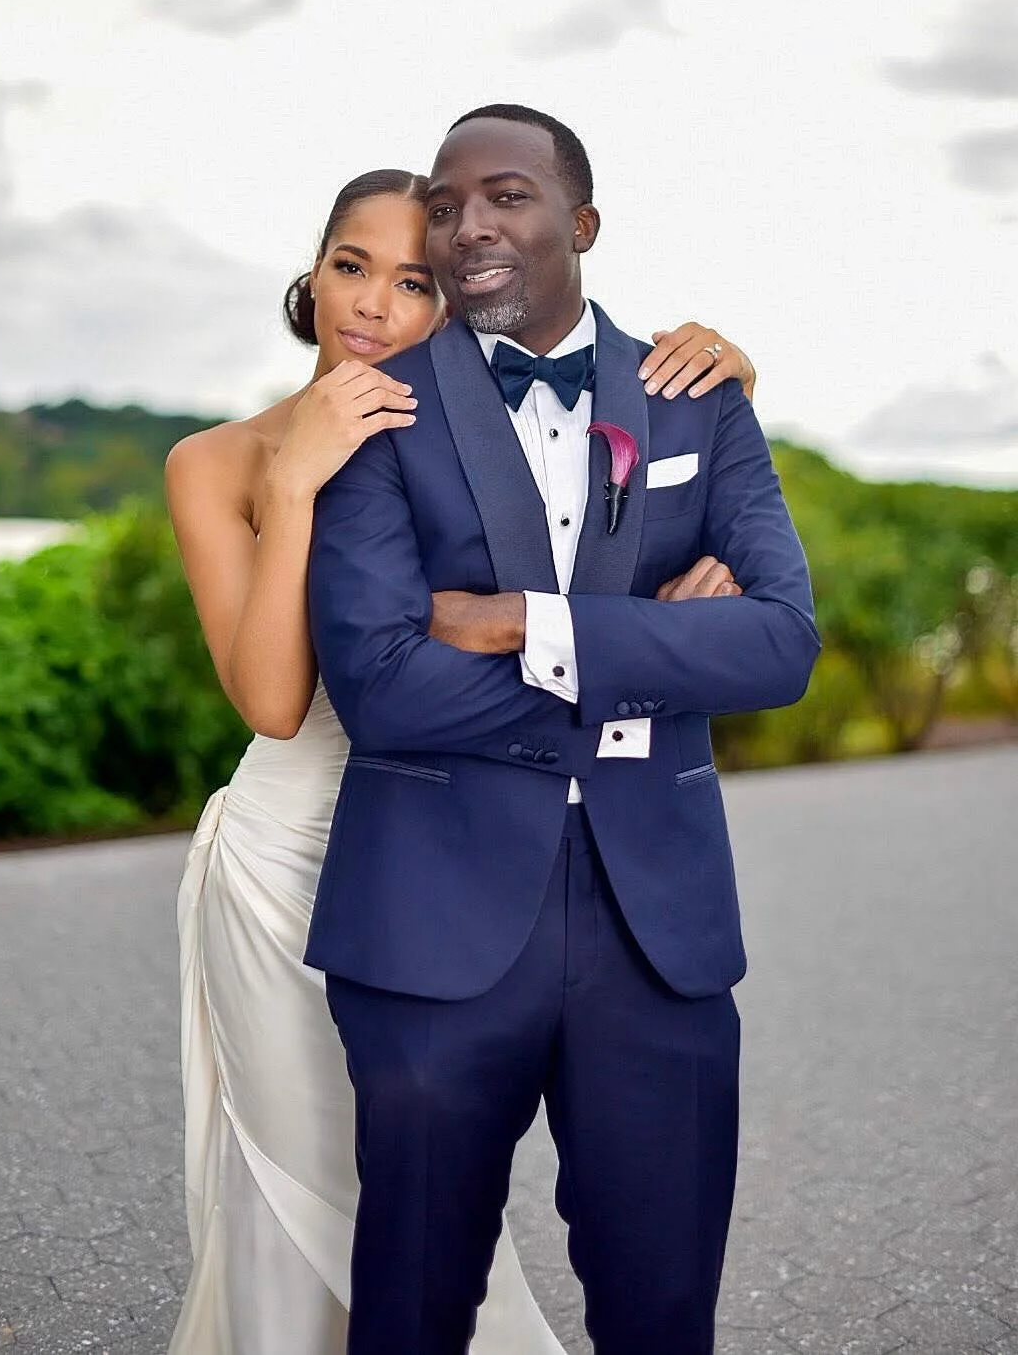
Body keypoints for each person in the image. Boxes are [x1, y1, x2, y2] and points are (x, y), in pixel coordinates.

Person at [164, 163, 759, 1354]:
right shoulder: (217, 461)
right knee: (304, 1204)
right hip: (287, 863)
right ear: (311, 272)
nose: (373, 306)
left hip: (466, 836)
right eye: (349, 266)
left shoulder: (463, 440)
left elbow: (612, 528)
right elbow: (277, 700)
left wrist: (726, 386)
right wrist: (297, 476)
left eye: (415, 282)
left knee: (433, 1232)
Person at [307, 107, 820, 1355]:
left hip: (661, 930)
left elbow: (780, 644)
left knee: (663, 1315)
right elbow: (381, 683)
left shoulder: (697, 399)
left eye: (507, 197)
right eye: (445, 202)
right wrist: (656, 651)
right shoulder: (375, 411)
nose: (468, 224)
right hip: (433, 925)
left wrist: (534, 626)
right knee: (413, 1312)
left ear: (581, 224)